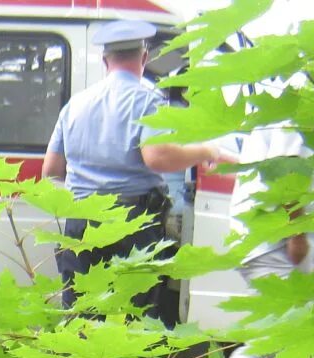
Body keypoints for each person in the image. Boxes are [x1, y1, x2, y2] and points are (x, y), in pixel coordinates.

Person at [42, 20, 235, 327]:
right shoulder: (147, 101)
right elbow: (157, 157)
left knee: (82, 318)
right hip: (132, 223)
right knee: (135, 319)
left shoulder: (74, 105)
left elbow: (51, 170)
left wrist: (87, 193)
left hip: (81, 221)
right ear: (144, 57)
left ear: (106, 60)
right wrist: (205, 151)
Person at [225, 119, 314, 358]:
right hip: (279, 244)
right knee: (292, 343)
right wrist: (297, 232)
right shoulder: (306, 89)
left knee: (296, 347)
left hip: (284, 247)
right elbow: (285, 166)